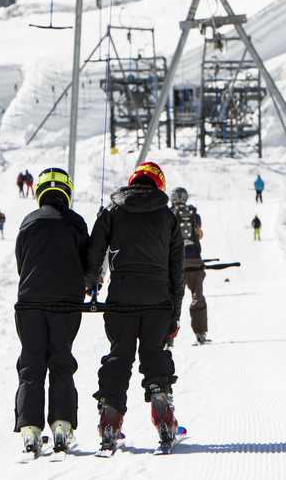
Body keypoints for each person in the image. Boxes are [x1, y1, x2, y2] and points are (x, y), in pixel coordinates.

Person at [85, 161, 184, 452]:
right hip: (158, 298)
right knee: (154, 355)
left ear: (132, 182)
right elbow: (176, 272)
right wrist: (174, 316)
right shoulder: (169, 217)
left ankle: (109, 422)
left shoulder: (113, 212)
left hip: (121, 297)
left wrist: (93, 284)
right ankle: (164, 415)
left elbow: (94, 256)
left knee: (120, 356)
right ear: (159, 185)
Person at [13, 167, 89, 457]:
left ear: (39, 192)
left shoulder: (28, 222)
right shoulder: (76, 222)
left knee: (31, 363)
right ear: (66, 192)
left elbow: (22, 264)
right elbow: (88, 263)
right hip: (66, 303)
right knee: (61, 360)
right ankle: (61, 425)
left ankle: (30, 429)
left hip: (29, 303)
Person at [170, 187, 208, 346]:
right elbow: (199, 236)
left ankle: (168, 335)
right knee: (197, 298)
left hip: (173, 264)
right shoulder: (194, 215)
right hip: (194, 263)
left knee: (171, 299)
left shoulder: (167, 214)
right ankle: (200, 334)